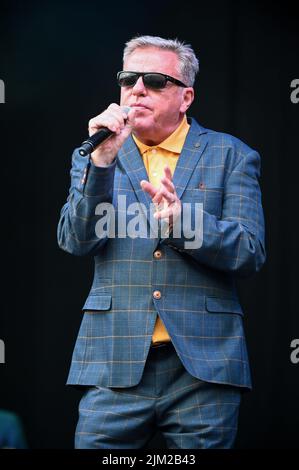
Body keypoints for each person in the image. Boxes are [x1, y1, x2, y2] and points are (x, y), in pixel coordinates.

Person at [57, 35, 265, 449]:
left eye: (154, 80)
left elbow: (250, 249)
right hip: (114, 360)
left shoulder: (231, 155)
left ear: (185, 97)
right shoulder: (96, 154)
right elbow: (75, 240)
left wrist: (183, 222)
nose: (137, 89)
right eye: (129, 78)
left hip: (202, 369)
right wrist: (100, 166)